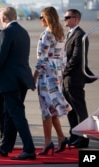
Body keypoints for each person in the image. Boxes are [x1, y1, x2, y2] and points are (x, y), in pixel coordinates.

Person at [0, 7, 36, 160]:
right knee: (9, 114)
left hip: (10, 81)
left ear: (3, 18)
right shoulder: (23, 32)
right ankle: (5, 147)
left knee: (17, 115)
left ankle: (29, 149)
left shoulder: (5, 33)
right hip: (22, 79)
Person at [33, 6, 72, 155]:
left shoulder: (47, 34)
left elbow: (42, 59)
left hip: (46, 76)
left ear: (48, 18)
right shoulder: (61, 34)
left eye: (42, 17)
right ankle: (61, 138)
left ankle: (47, 142)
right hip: (57, 75)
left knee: (46, 111)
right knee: (53, 109)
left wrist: (34, 77)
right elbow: (63, 59)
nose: (40, 20)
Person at [62, 9, 90, 148]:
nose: (64, 19)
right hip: (67, 79)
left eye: (67, 17)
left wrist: (63, 71)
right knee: (70, 109)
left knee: (79, 110)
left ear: (76, 19)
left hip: (74, 79)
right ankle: (74, 135)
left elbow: (77, 58)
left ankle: (83, 138)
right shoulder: (70, 34)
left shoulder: (80, 35)